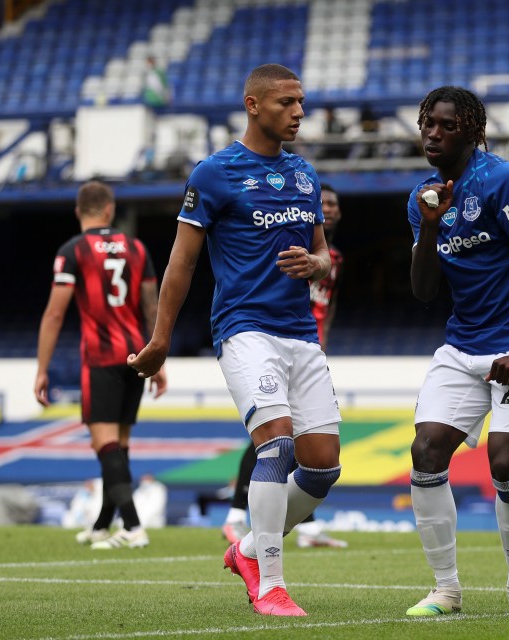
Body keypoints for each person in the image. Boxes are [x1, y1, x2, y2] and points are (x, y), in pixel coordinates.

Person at [127, 63, 342, 617]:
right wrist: (160, 339)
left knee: (322, 470)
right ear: (253, 104)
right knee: (277, 446)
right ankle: (270, 583)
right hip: (245, 329)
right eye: (286, 103)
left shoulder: (303, 174)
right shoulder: (215, 173)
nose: (298, 113)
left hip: (301, 334)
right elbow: (182, 261)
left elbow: (323, 256)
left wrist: (313, 263)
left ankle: (246, 550)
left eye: (301, 103)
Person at [404, 86, 509, 617]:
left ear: (471, 130)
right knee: (425, 453)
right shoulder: (422, 196)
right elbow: (424, 291)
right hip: (462, 345)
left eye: (446, 125)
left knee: (503, 461)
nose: (433, 133)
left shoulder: (504, 181)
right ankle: (445, 589)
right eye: (428, 123)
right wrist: (429, 229)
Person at [34, 180, 167, 549]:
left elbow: (54, 314)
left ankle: (133, 526)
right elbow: (152, 306)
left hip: (100, 358)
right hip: (138, 355)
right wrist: (159, 359)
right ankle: (101, 524)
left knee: (104, 444)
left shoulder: (72, 250)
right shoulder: (137, 248)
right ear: (109, 210)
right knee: (119, 447)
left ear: (79, 212)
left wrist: (42, 368)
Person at [221, 182, 347, 550]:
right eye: (324, 201)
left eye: (334, 203)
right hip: (272, 342)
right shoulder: (284, 245)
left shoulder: (333, 260)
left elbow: (329, 304)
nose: (330, 207)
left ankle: (302, 528)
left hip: (308, 348)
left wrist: (323, 341)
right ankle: (235, 516)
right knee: (275, 440)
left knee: (310, 451)